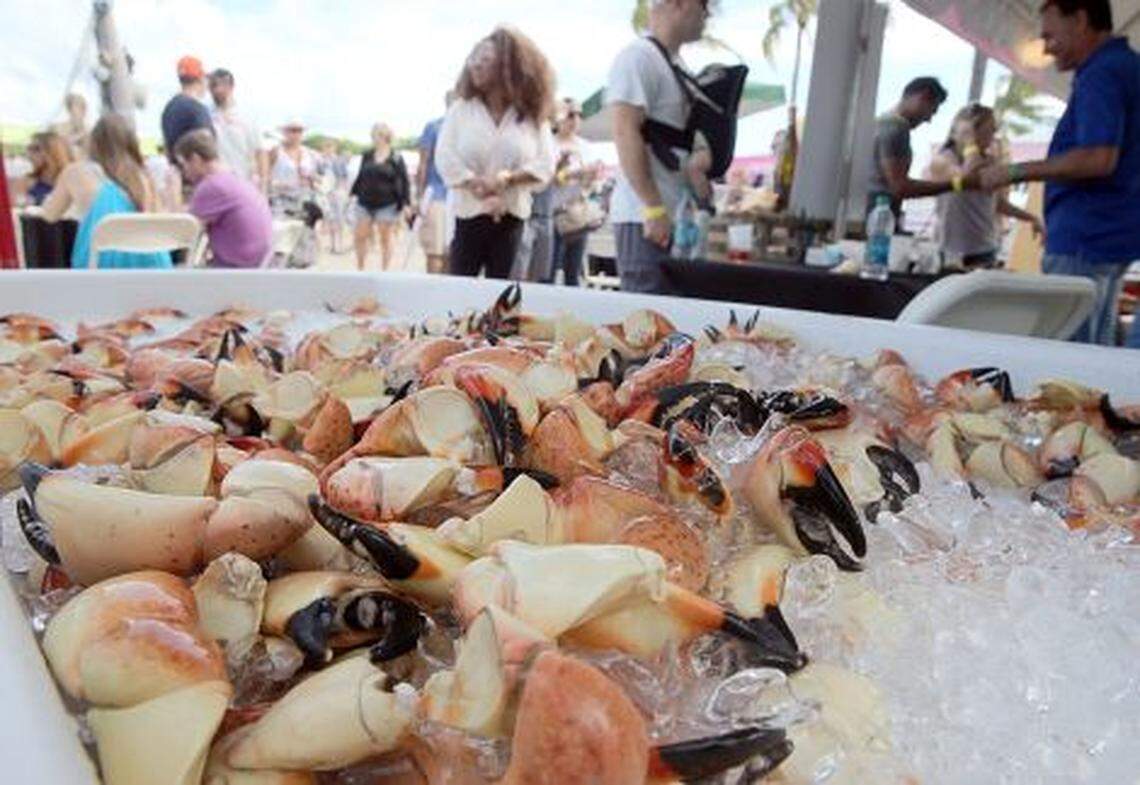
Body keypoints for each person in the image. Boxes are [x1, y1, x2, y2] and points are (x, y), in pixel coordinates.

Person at [979, 0, 1140, 346]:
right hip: (1110, 236)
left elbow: (1098, 158)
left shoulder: (1102, 72)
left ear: (1081, 19)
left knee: (1070, 369)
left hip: (1086, 238)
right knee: (1095, 360)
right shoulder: (1127, 67)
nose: (1047, 48)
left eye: (1051, 35)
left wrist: (1013, 171)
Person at [436, 27, 557, 279]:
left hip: (512, 220)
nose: (475, 66)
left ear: (508, 66)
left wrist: (509, 179)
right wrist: (473, 182)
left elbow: (546, 164)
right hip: (467, 217)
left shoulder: (532, 116)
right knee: (459, 297)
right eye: (473, 59)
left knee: (504, 301)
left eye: (485, 60)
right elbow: (445, 156)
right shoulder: (461, 110)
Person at [608, 0, 709, 293]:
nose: (707, 13)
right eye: (704, 4)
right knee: (647, 318)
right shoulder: (638, 57)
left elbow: (681, 138)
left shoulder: (675, 65)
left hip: (673, 217)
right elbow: (625, 130)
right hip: (645, 219)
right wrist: (652, 208)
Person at [40, 114, 171, 269]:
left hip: (99, 270)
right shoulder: (143, 178)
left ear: (94, 143)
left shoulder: (76, 172)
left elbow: (50, 215)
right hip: (152, 268)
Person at [927, 104, 1044, 270]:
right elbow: (965, 178)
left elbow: (997, 203)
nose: (992, 136)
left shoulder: (990, 161)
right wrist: (970, 144)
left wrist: (1030, 217)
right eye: (988, 130)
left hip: (984, 248)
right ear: (971, 132)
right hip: (951, 251)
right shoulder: (943, 160)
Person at [175, 130, 272, 268]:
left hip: (232, 270)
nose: (184, 172)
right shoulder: (235, 179)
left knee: (169, 274)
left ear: (195, 159)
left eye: (183, 164)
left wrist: (172, 194)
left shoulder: (211, 186)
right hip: (256, 266)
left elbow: (181, 234)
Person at [867, 77, 953, 228]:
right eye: (931, 111)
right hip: (879, 219)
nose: (928, 119)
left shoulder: (879, 123)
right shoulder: (897, 127)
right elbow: (900, 187)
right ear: (923, 97)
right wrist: (955, 185)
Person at [549, 98, 602, 286]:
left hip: (578, 215)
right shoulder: (549, 143)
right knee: (549, 272)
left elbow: (593, 185)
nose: (576, 119)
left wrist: (591, 176)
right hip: (553, 216)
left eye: (580, 114)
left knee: (573, 273)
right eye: (571, 114)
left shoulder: (586, 147)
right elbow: (547, 179)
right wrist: (574, 173)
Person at [349, 123, 410, 271]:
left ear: (386, 136)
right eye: (374, 135)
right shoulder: (367, 155)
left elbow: (404, 180)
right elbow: (361, 175)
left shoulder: (396, 157)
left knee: (385, 238)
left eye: (379, 135)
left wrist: (406, 204)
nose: (376, 138)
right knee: (360, 235)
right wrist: (352, 192)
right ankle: (360, 268)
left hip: (387, 203)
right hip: (364, 201)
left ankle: (385, 270)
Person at [208, 68, 269, 191]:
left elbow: (260, 151)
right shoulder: (206, 114)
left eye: (218, 85)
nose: (215, 90)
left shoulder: (246, 116)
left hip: (241, 184)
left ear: (230, 87)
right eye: (212, 86)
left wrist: (263, 188)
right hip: (214, 184)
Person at [417, 92, 454, 274]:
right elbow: (423, 164)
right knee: (435, 251)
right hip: (437, 194)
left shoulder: (470, 129)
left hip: (461, 198)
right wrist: (419, 197)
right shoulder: (433, 127)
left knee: (452, 253)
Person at [160, 56, 214, 162]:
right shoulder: (197, 109)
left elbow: (167, 148)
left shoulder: (169, 108)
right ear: (201, 79)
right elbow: (207, 147)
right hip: (197, 175)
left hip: (176, 173)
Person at [268, 121, 318, 216]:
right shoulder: (276, 151)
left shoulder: (309, 153)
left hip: (304, 201)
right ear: (284, 132)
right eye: (293, 131)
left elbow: (314, 177)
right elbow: (264, 176)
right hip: (279, 202)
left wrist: (312, 180)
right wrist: (280, 184)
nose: (296, 134)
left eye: (300, 131)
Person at [24, 131, 73, 206]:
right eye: (29, 149)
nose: (29, 155)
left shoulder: (72, 179)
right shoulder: (29, 180)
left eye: (36, 149)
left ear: (54, 151)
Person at [318, 139, 350, 254]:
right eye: (325, 147)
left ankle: (340, 244)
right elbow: (319, 177)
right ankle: (332, 245)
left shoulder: (339, 161)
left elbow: (344, 177)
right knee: (330, 218)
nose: (327, 150)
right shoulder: (321, 162)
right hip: (326, 193)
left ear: (334, 148)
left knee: (339, 219)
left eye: (329, 147)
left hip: (337, 193)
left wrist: (338, 191)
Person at [54, 93, 90, 158]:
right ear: (69, 110)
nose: (83, 111)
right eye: (78, 106)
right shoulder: (61, 128)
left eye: (83, 107)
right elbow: (61, 145)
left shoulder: (88, 129)